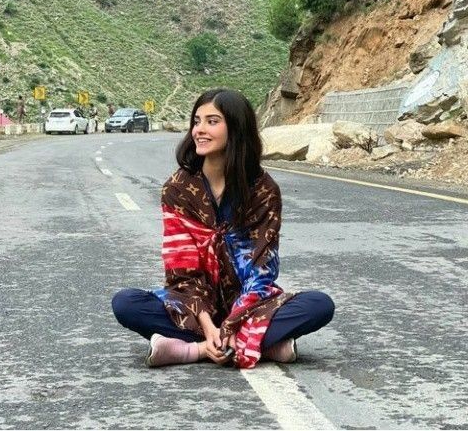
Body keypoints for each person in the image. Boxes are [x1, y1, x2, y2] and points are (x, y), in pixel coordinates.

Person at [112, 88, 335, 369]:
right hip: (193, 307)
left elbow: (261, 271)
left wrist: (230, 324)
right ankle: (225, 348)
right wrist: (208, 327)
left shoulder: (263, 191)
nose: (199, 130)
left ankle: (188, 349)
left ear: (236, 128)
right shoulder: (178, 189)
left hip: (250, 306)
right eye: (196, 121)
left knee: (319, 305)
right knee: (126, 303)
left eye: (212, 121)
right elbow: (182, 274)